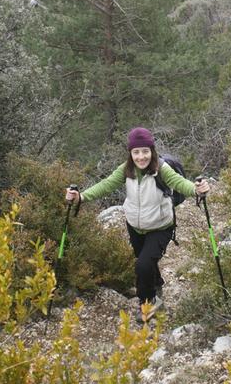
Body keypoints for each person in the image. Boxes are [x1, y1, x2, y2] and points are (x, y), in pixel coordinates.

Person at [66, 126, 210, 323]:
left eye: (145, 151)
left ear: (152, 151)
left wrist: (197, 190)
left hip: (160, 226)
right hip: (135, 226)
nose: (141, 157)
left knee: (142, 264)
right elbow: (106, 185)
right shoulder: (126, 170)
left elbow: (179, 183)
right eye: (136, 152)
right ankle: (157, 285)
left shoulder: (161, 169)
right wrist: (81, 197)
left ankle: (149, 302)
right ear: (130, 153)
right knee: (145, 261)